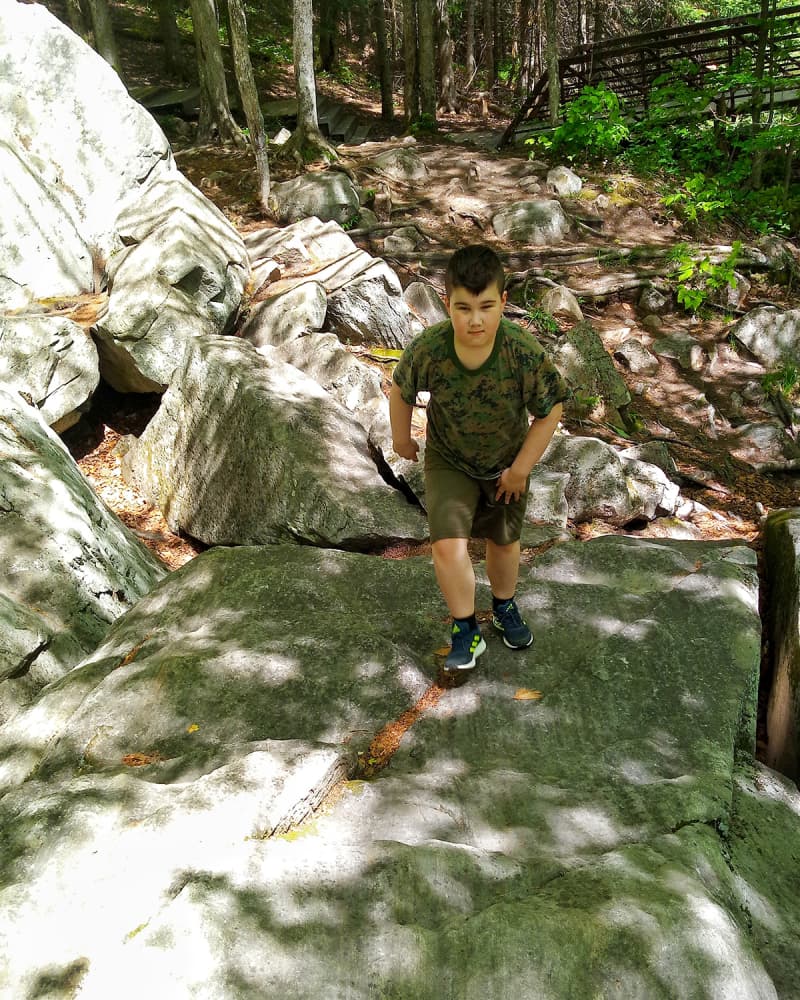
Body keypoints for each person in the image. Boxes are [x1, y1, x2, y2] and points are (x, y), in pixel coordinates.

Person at [390, 245, 569, 672]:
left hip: (506, 464)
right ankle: (465, 628)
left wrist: (521, 469)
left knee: (503, 544)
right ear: (446, 302)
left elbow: (551, 410)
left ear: (503, 303)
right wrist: (402, 439)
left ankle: (504, 606)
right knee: (447, 545)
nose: (475, 320)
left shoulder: (522, 351)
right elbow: (401, 390)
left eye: (487, 307)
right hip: (449, 460)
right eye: (463, 308)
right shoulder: (431, 348)